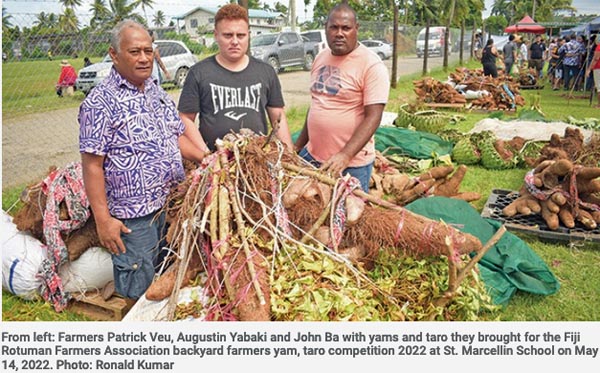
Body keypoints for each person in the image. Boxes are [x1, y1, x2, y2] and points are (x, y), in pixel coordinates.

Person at [78, 20, 205, 300]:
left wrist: (206, 158)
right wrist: (103, 220)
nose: (145, 58)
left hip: (168, 205)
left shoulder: (155, 91)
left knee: (164, 275)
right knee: (138, 288)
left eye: (148, 51)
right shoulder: (100, 102)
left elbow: (176, 136)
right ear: (114, 55)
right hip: (133, 219)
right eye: (135, 52)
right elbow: (92, 165)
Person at [294, 3, 390, 192]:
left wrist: (345, 155)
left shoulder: (371, 65)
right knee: (310, 214)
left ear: (356, 29)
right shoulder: (320, 58)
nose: (339, 33)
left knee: (348, 218)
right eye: (334, 27)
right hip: (312, 157)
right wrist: (298, 146)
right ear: (326, 28)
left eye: (346, 28)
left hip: (351, 164)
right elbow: (316, 104)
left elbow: (373, 117)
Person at [178, 4, 293, 153]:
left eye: (241, 35)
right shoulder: (199, 73)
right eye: (228, 35)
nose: (234, 41)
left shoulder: (265, 71)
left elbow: (278, 117)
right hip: (215, 158)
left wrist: (289, 153)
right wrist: (205, 154)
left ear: (248, 35)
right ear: (216, 35)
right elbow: (185, 118)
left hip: (256, 158)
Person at [585, 34, 600, 108]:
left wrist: (589, 69)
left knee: (599, 86)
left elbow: (596, 59)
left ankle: (599, 104)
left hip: (598, 68)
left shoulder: (598, 47)